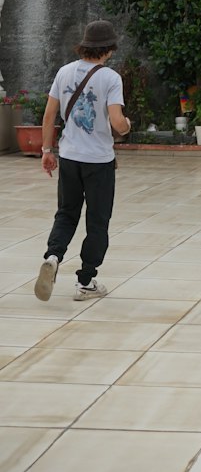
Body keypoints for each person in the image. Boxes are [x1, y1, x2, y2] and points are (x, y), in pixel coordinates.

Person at [33, 19, 131, 302]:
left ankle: (53, 256)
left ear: (85, 45)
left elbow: (49, 115)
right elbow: (117, 122)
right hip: (99, 161)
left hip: (70, 158)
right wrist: (126, 125)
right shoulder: (110, 78)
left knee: (66, 213)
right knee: (97, 220)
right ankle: (86, 280)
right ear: (109, 49)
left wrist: (47, 151)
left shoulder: (64, 72)